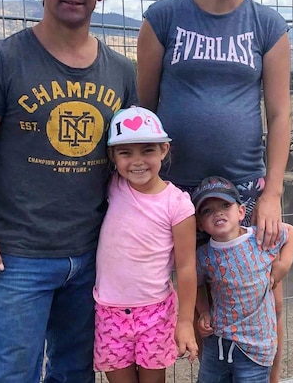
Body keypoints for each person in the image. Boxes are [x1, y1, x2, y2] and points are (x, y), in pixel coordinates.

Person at [0, 0, 138, 383]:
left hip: (94, 252)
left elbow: (134, 161)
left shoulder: (120, 72)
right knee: (8, 374)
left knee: (75, 372)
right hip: (18, 255)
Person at [136, 0, 292, 379]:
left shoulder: (267, 25)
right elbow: (144, 109)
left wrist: (271, 194)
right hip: (181, 190)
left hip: (244, 187)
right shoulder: (164, 17)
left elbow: (280, 114)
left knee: (267, 294)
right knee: (202, 296)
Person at [93, 105, 198, 382]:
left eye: (147, 150)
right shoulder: (113, 186)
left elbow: (187, 267)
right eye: (125, 152)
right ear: (112, 157)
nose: (137, 161)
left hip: (155, 313)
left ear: (164, 150)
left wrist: (185, 321)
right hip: (110, 312)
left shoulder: (177, 205)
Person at [192, 176, 293, 382]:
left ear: (241, 212)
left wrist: (283, 265)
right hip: (218, 344)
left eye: (225, 205)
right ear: (200, 225)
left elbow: (290, 232)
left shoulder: (260, 238)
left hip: (256, 348)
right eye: (207, 211)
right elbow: (197, 284)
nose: (218, 213)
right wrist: (203, 311)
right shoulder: (203, 255)